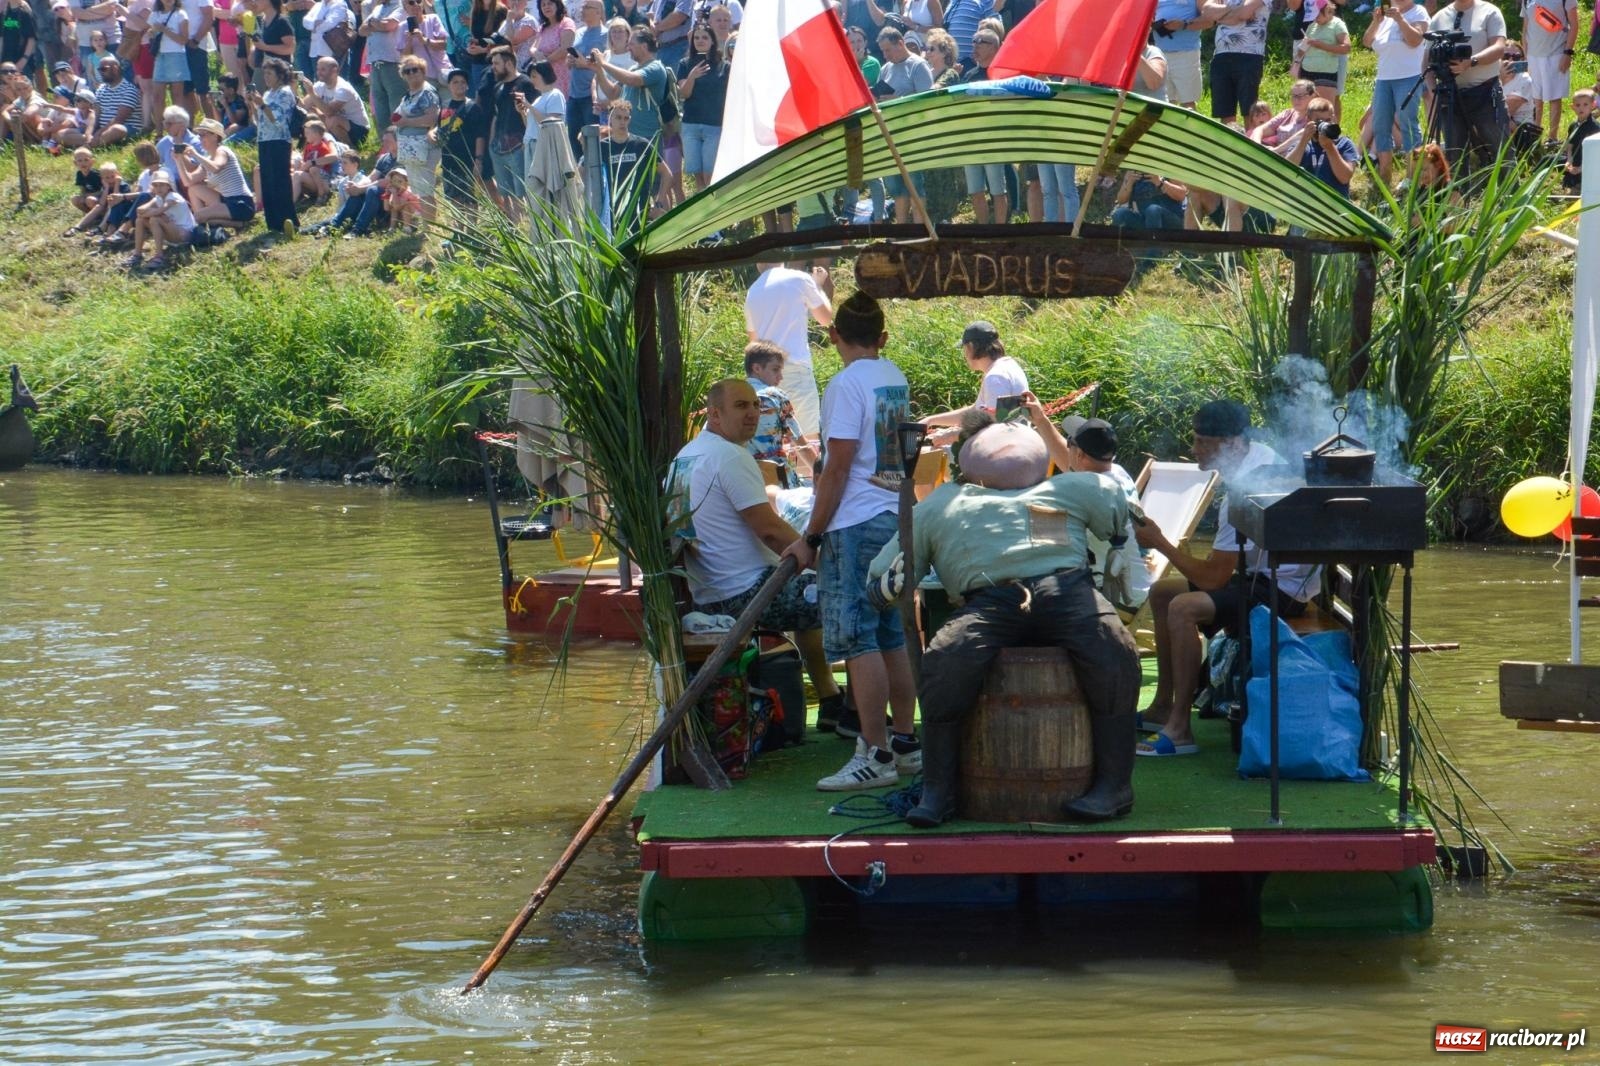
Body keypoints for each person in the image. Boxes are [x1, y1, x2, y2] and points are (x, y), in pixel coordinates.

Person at [867, 417, 1140, 826]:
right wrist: (887, 585)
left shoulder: (1071, 486)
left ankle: (1114, 785)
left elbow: (1116, 510)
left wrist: (1119, 545)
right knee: (946, 658)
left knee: (1113, 647)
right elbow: (882, 572)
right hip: (989, 600)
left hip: (1065, 588)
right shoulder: (943, 503)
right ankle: (939, 790)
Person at [780, 291, 919, 791]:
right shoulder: (894, 376)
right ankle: (903, 742)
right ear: (883, 338)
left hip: (854, 522)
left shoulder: (844, 384)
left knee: (859, 639)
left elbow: (836, 466)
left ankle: (875, 753)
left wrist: (810, 537)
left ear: (832, 335)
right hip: (891, 516)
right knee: (890, 635)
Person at [1133, 400, 1320, 758]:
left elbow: (1215, 578)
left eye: (1203, 442)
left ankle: (1180, 728)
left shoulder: (1244, 490)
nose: (1194, 449)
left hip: (1281, 588)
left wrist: (1159, 542)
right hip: (1266, 576)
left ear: (1233, 443)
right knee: (1162, 592)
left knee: (1183, 608)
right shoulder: (1257, 456)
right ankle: (1161, 706)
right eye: (1195, 439)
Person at [665, 378, 848, 728]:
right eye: (741, 406)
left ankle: (829, 698)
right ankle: (854, 712)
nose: (753, 415)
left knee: (809, 585)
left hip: (709, 593)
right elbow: (771, 531)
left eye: (755, 406)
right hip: (747, 592)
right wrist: (830, 563)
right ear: (714, 414)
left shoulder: (685, 456)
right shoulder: (729, 457)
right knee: (849, 594)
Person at [744, 261, 833, 439]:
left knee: (773, 442)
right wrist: (818, 285)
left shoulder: (752, 291)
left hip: (762, 376)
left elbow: (753, 343)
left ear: (758, 263)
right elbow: (825, 318)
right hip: (795, 370)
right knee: (808, 441)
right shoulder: (800, 278)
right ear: (782, 258)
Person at [1427, 0, 1508, 174]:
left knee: (1501, 150)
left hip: (1484, 93)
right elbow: (1427, 61)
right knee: (1454, 158)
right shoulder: (1439, 18)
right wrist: (1433, 90)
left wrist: (1470, 62)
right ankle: (1457, 199)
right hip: (1449, 96)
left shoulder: (1490, 12)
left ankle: (1512, 198)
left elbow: (1499, 47)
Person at [920, 321, 1030, 436]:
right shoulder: (1009, 365)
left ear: (971, 347)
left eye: (964, 349)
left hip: (1008, 448)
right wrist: (931, 420)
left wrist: (951, 436)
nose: (964, 355)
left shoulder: (995, 377)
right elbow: (980, 412)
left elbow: (994, 427)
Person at [1364, 0, 1428, 185]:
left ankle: (1412, 177)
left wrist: (1400, 19)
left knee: (1408, 123)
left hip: (1409, 77)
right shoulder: (1384, 17)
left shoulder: (1418, 12)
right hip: (1384, 79)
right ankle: (1385, 176)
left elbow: (1416, 40)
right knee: (1380, 125)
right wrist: (1376, 21)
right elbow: (1367, 42)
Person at [874, 26, 930, 223]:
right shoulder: (885, 69)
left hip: (913, 136)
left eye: (888, 49)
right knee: (896, 188)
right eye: (882, 50)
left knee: (915, 185)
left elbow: (927, 100)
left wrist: (898, 99)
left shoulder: (918, 65)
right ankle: (901, 234)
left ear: (900, 43)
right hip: (890, 135)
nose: (885, 54)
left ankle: (919, 232)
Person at [743, 341, 815, 488]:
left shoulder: (732, 395)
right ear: (756, 368)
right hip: (775, 478)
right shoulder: (775, 396)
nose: (780, 377)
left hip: (742, 477)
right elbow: (801, 444)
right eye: (775, 370)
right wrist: (822, 474)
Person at [594, 98, 668, 225]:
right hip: (610, 215)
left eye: (626, 118)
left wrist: (659, 202)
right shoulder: (601, 147)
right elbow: (581, 173)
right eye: (618, 117)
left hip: (639, 214)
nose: (622, 122)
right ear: (609, 119)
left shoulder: (641, 145)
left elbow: (667, 174)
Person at [175, 115, 258, 225]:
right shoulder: (207, 159)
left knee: (198, 216)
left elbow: (215, 168)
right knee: (193, 188)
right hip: (226, 201)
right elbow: (188, 181)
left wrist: (195, 154)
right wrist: (178, 160)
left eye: (203, 135)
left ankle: (237, 224)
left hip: (240, 203)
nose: (200, 139)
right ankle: (205, 224)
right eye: (199, 135)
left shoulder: (223, 150)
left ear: (215, 136)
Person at [250, 56, 299, 233]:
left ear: (280, 75)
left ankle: (287, 220)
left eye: (270, 73)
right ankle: (273, 223)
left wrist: (262, 106)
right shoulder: (267, 93)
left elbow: (279, 120)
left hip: (279, 140)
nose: (266, 77)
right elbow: (259, 120)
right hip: (265, 140)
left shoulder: (285, 92)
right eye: (265, 74)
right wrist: (254, 105)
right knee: (268, 181)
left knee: (280, 181)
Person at [675, 21, 724, 191]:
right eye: (696, 37)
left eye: (704, 37)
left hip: (714, 125)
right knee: (697, 175)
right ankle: (705, 213)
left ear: (712, 41)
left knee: (710, 174)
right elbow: (684, 94)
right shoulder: (684, 64)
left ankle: (716, 211)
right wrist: (692, 76)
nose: (700, 40)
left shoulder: (723, 66)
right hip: (691, 125)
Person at [482, 43, 533, 204]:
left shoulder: (526, 83)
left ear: (509, 63)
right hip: (498, 148)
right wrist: (491, 143)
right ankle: (511, 227)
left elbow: (532, 114)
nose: (493, 68)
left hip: (519, 146)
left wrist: (528, 140)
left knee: (521, 194)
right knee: (505, 194)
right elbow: (496, 115)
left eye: (496, 63)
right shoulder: (498, 86)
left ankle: (523, 227)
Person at [1278, 94, 1357, 199]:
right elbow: (1286, 171)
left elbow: (1345, 178)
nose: (1324, 124)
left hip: (1335, 206)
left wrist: (1330, 148)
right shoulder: (1302, 145)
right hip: (1305, 204)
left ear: (1333, 118)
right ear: (1308, 120)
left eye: (1328, 120)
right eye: (1319, 121)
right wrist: (1303, 141)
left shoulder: (1344, 144)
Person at [1202, 0, 1267, 127]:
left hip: (1250, 56)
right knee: (1225, 111)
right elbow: (1206, 11)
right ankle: (1228, 145)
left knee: (1250, 110)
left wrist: (1220, 16)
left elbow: (1244, 13)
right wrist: (1235, 11)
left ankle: (1251, 142)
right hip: (1221, 56)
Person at [1520, 0, 1578, 137]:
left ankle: (1552, 139)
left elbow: (1574, 26)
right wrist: (1525, 56)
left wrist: (1568, 53)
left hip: (1556, 54)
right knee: (1536, 100)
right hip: (1533, 56)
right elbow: (1525, 29)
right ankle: (1534, 139)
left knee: (1554, 98)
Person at [432, 66, 485, 206]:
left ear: (467, 86)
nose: (459, 85)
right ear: (449, 86)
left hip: (467, 161)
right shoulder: (443, 106)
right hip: (449, 161)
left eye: (462, 82)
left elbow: (480, 135)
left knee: (470, 200)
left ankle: (472, 228)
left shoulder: (473, 107)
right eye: (455, 82)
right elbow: (439, 127)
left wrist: (478, 160)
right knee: (454, 200)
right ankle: (458, 228)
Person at [125, 167, 196, 271]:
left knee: (155, 219)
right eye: (155, 185)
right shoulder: (158, 198)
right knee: (140, 220)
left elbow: (159, 211)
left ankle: (159, 256)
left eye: (162, 185)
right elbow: (139, 210)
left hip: (184, 234)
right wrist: (157, 213)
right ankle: (137, 254)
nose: (159, 188)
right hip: (171, 233)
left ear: (168, 186)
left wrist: (157, 213)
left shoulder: (173, 196)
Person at [392, 53, 440, 206]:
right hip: (410, 149)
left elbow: (432, 119)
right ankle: (424, 225)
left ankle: (430, 227)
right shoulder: (408, 95)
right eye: (407, 71)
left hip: (424, 147)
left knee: (426, 190)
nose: (411, 73)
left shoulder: (427, 92)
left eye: (415, 69)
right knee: (418, 189)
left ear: (423, 71)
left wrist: (406, 121)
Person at [1297, 0, 1349, 121]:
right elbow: (1303, 49)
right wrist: (1298, 58)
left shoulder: (1337, 24)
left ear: (1327, 10)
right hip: (1307, 72)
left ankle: (1331, 135)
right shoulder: (1312, 26)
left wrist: (1321, 45)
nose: (1315, 18)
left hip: (1326, 73)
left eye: (1318, 15)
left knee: (1324, 110)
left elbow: (1346, 47)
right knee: (1306, 110)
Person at [1153, 0, 1211, 109]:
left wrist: (1183, 24)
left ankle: (1189, 126)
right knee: (1163, 102)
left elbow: (1209, 21)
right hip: (1159, 55)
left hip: (1186, 54)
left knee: (1188, 102)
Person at [302, 54, 369, 144]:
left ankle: (348, 149)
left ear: (335, 70)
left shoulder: (343, 89)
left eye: (323, 69)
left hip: (359, 131)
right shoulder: (320, 85)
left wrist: (312, 93)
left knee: (332, 120)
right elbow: (302, 106)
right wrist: (293, 90)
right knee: (311, 111)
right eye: (318, 69)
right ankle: (322, 145)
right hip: (339, 125)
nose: (319, 73)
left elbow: (329, 111)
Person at [360, 0, 404, 134]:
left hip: (392, 63)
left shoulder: (400, 5)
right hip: (375, 64)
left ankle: (400, 142)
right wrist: (376, 24)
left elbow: (388, 26)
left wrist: (373, 24)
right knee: (380, 107)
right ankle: (386, 145)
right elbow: (361, 30)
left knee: (396, 106)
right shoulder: (377, 8)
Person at [564, 0, 603, 154]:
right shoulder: (579, 32)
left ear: (599, 12)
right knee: (575, 141)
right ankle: (581, 176)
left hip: (591, 96)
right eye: (583, 7)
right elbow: (573, 57)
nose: (582, 10)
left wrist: (583, 63)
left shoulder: (605, 34)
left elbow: (604, 63)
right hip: (574, 95)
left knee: (592, 143)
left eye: (587, 7)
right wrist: (570, 60)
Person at [1561, 86, 1598, 191]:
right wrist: (1569, 161)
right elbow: (1570, 146)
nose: (1581, 108)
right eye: (1578, 105)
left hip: (1589, 165)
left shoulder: (1595, 127)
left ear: (1593, 105)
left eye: (1585, 105)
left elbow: (1595, 153)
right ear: (1573, 107)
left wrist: (1582, 168)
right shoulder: (1573, 125)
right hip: (1575, 162)